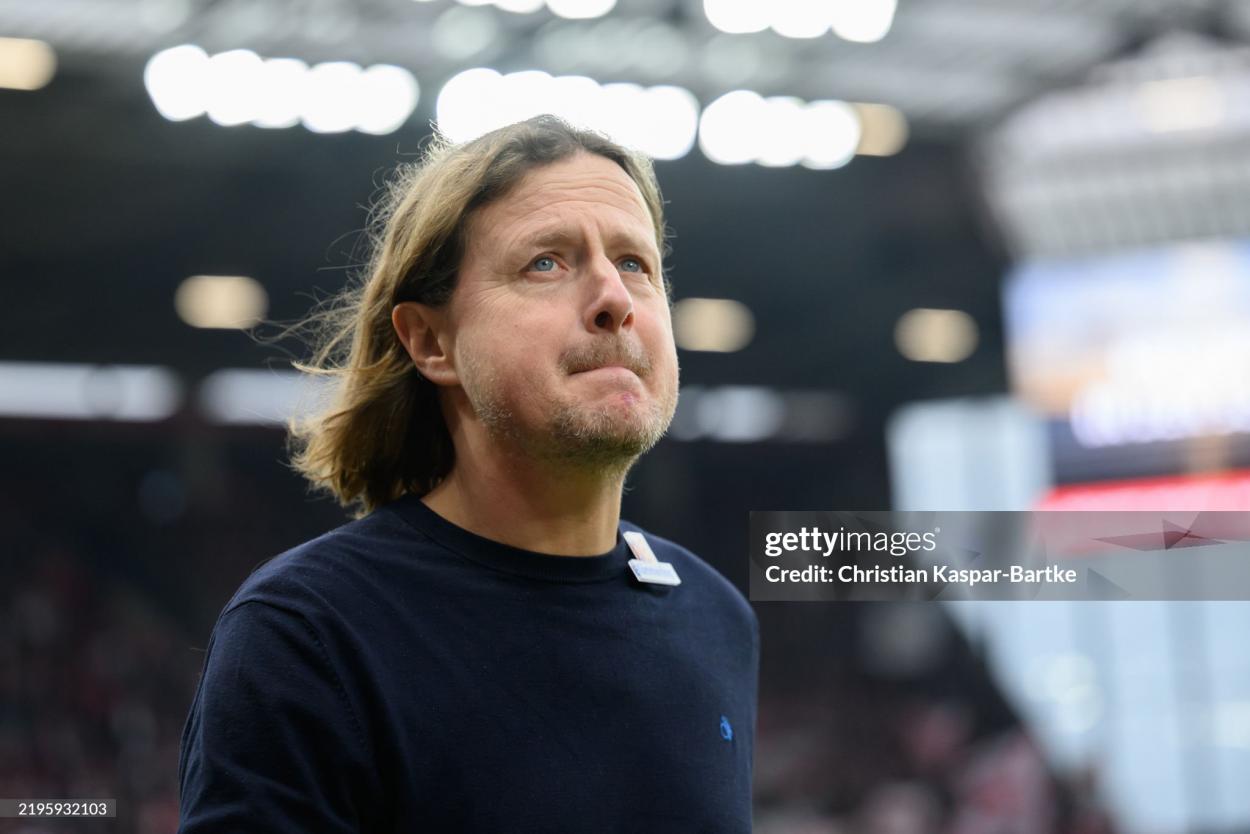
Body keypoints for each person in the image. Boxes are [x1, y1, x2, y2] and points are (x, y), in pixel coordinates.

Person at [177, 114, 760, 833]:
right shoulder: (307, 635)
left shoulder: (716, 615)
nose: (615, 299)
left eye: (636, 264)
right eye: (546, 262)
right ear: (431, 341)